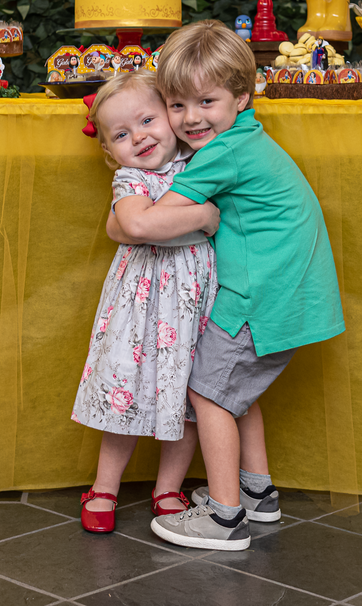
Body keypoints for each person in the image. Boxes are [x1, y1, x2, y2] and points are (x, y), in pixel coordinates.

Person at [108, 20, 344, 551]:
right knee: (236, 391)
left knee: (207, 392)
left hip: (257, 298)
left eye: (206, 102)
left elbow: (142, 223)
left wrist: (177, 217)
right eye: (177, 104)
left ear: (243, 95)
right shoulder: (246, 136)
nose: (191, 119)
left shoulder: (222, 154)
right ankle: (257, 493)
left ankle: (224, 517)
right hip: (285, 292)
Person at [73, 68, 221, 533]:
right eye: (121, 134)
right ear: (109, 152)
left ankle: (167, 488)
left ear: (171, 116)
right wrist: (205, 216)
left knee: (189, 399)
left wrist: (179, 221)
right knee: (125, 391)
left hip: (193, 302)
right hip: (141, 306)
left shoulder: (202, 163)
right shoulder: (130, 181)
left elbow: (147, 225)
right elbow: (136, 226)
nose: (138, 138)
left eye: (147, 120)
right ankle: (104, 488)